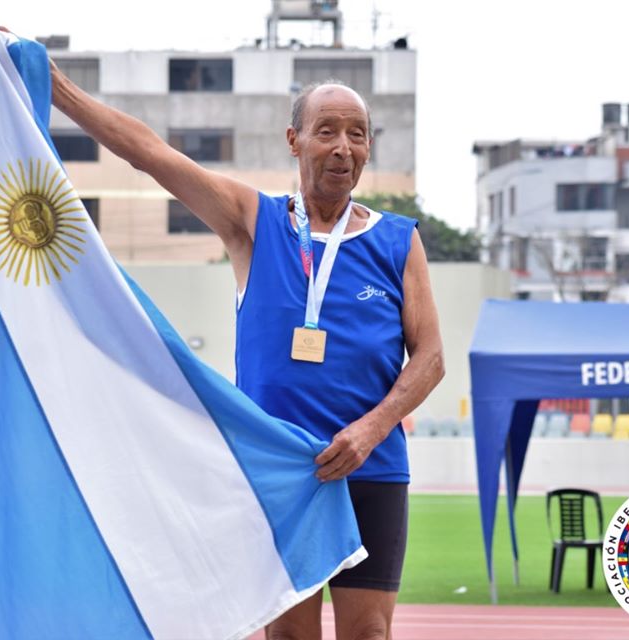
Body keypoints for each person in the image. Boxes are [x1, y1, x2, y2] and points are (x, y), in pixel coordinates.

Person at [49, 56, 444, 640]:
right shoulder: (253, 221)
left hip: (371, 464)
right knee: (286, 637)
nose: (342, 148)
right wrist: (56, 88)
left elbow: (431, 358)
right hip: (278, 471)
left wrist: (372, 429)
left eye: (357, 135)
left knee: (370, 635)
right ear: (295, 140)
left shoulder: (397, 240)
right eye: (327, 131)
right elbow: (150, 154)